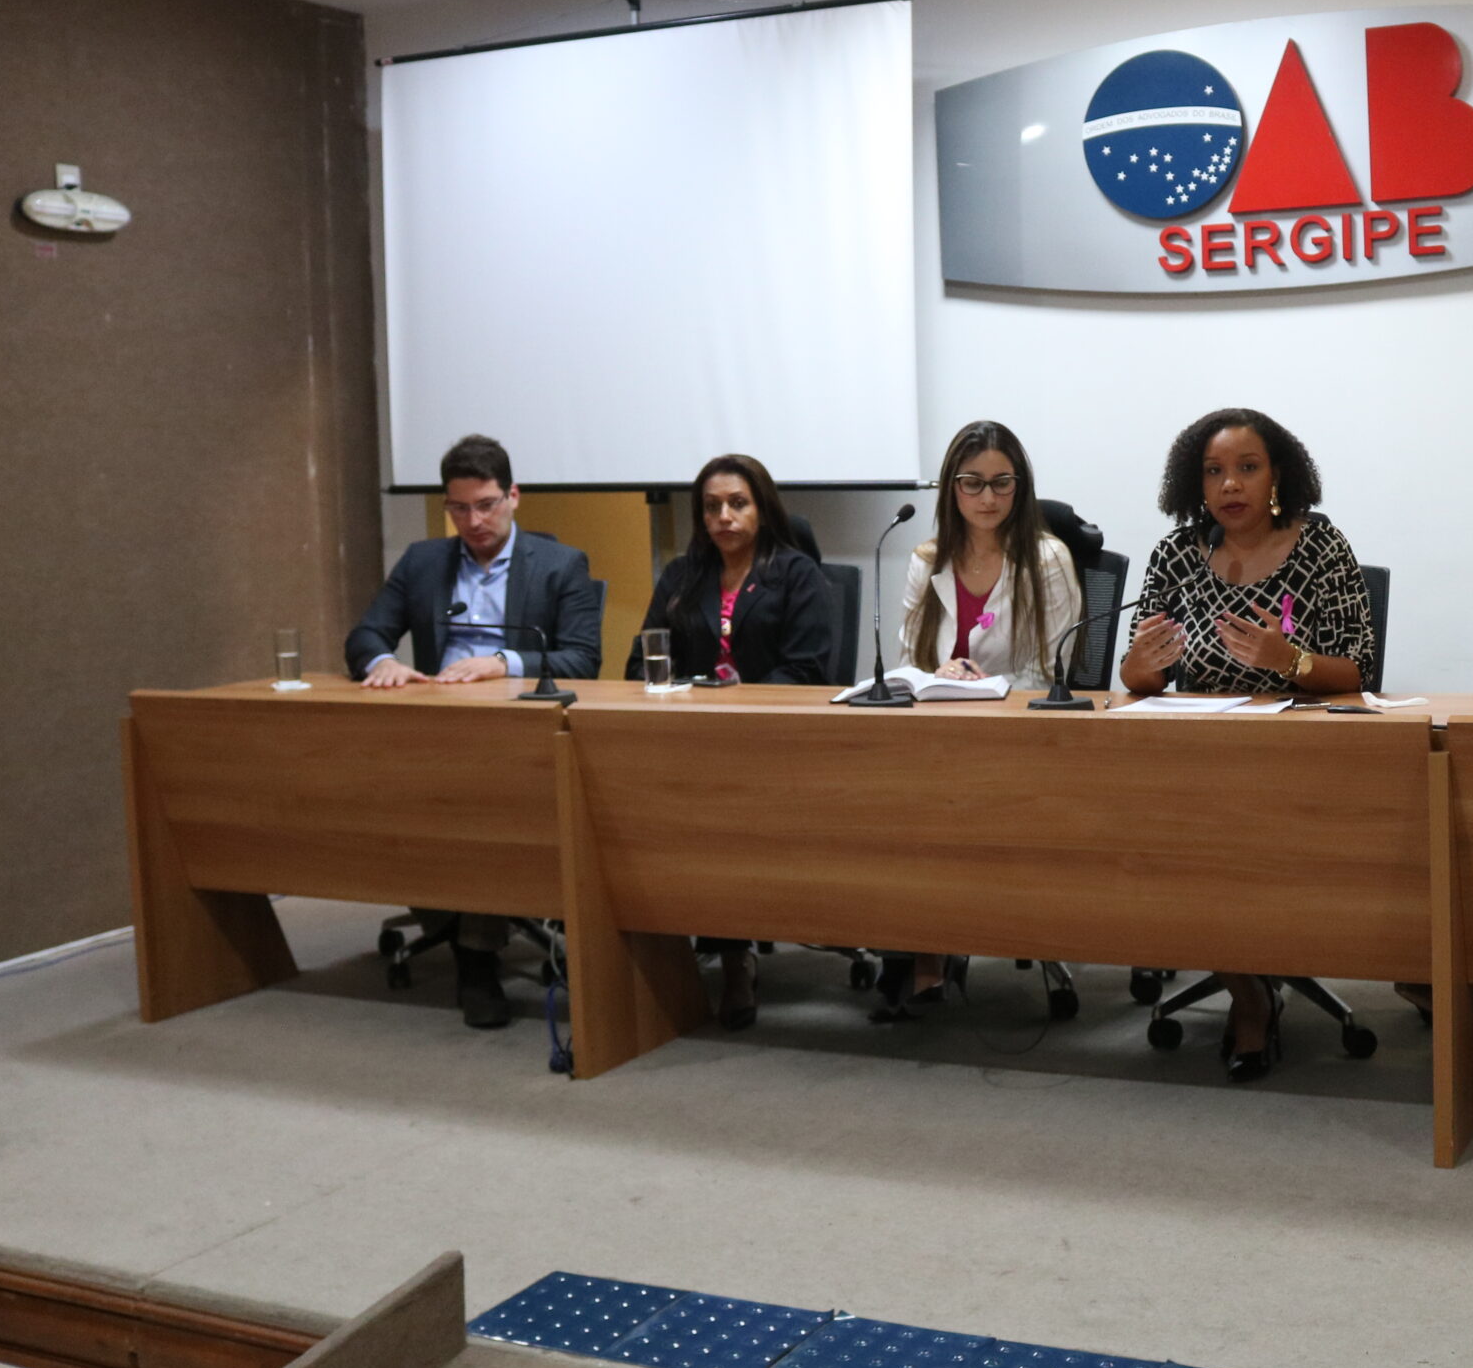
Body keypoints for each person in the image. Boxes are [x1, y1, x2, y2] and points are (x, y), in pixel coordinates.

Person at [1118, 408, 1377, 1082]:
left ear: (1277, 476)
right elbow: (1141, 678)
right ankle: (1248, 988)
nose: (1229, 484)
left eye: (1246, 468)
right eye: (1214, 471)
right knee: (1171, 837)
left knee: (1224, 842)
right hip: (1201, 754)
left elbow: (1359, 669)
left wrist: (1288, 659)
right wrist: (1138, 665)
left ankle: (1254, 1001)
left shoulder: (1321, 546)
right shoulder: (1178, 554)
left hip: (1301, 756)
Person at [343, 432, 604, 1028]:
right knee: (383, 805)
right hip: (436, 729)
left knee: (485, 806)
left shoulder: (561, 565)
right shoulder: (422, 561)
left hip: (520, 734)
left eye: (486, 505)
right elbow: (366, 634)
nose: (474, 521)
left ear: (513, 497)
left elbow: (583, 659)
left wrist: (501, 663)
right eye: (459, 509)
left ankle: (477, 957)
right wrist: (382, 662)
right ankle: (455, 927)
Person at [628, 453, 839, 1029]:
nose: (724, 516)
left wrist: (737, 704)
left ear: (762, 508)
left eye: (737, 503)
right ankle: (664, 950)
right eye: (712, 506)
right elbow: (640, 662)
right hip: (691, 743)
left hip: (775, 744)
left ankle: (734, 956)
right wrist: (685, 697)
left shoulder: (797, 574)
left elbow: (808, 671)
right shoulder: (682, 576)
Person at [880, 421, 1083, 1015]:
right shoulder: (927, 560)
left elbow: (1053, 670)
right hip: (940, 736)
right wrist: (941, 674)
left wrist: (986, 686)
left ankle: (928, 954)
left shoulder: (1048, 560)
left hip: (1021, 739)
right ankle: (922, 949)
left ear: (1020, 486)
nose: (988, 497)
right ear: (952, 488)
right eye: (972, 483)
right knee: (888, 800)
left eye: (1001, 483)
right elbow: (908, 664)